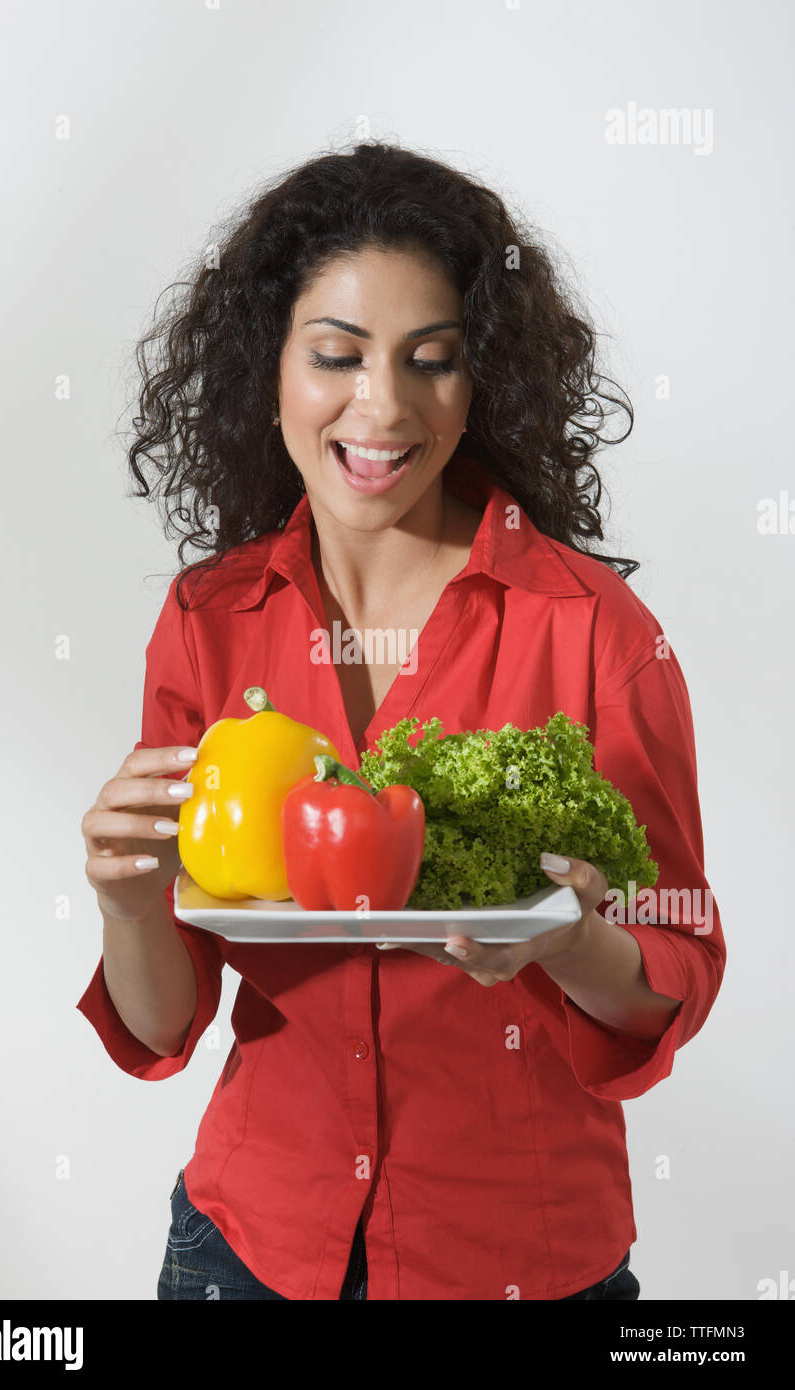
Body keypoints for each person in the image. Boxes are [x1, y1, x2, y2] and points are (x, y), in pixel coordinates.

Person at [77, 142, 725, 1300]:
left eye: (431, 361)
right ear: (264, 371)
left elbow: (674, 961)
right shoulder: (208, 624)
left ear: (481, 384)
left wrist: (571, 943)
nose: (381, 406)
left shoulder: (594, 633)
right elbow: (165, 1017)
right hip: (249, 1250)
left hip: (516, 1264)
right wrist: (129, 901)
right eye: (335, 355)